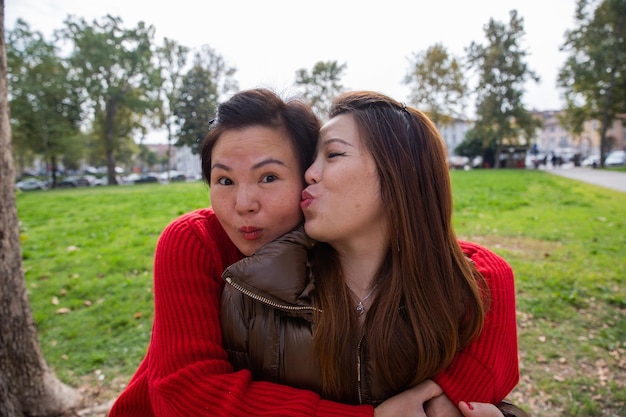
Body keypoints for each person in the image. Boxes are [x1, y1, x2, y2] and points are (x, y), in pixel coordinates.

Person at [109, 88, 519, 417]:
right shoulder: (197, 240)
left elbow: (483, 268)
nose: (243, 204)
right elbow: (185, 393)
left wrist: (451, 393)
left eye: (270, 176)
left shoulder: (329, 234)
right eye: (223, 180)